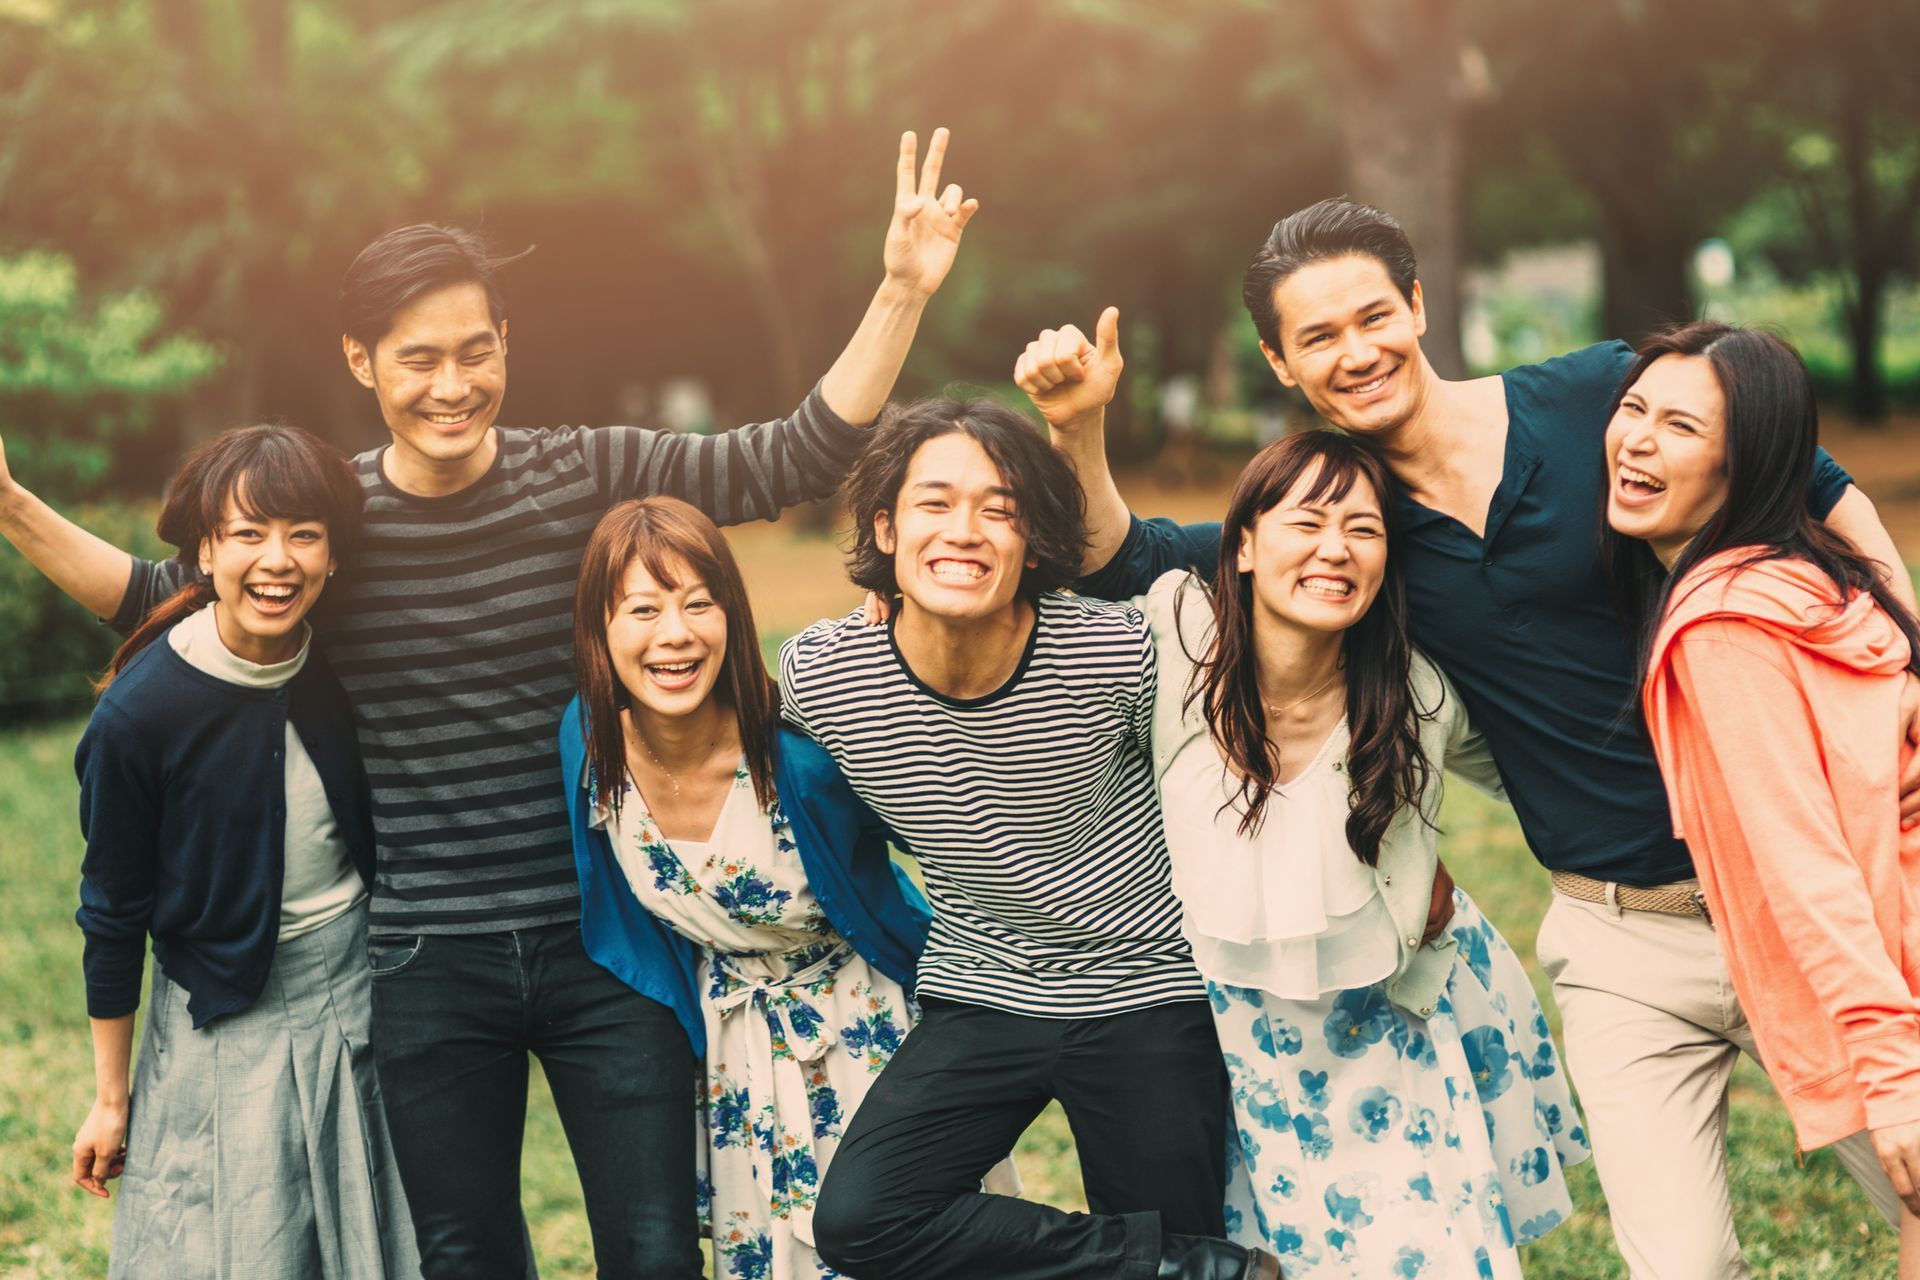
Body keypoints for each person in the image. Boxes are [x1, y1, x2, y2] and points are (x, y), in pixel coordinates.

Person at [4, 130, 979, 1279]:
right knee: (465, 1256)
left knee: (657, 1248)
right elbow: (157, 594)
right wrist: (15, 508)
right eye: (419, 359)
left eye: (476, 350)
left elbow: (790, 459)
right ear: (362, 361)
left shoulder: (585, 471)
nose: (452, 384)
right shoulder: (336, 527)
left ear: (507, 343)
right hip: (426, 955)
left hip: (607, 936)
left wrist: (901, 292)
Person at [1021, 197, 1920, 1278]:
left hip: (1805, 894)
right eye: (1319, 338)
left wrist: (1906, 655)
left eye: (1372, 315)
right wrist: (1078, 426)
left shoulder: (1598, 398)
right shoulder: (1349, 526)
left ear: (1416, 301)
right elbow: (1124, 558)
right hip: (1619, 930)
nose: (1357, 352)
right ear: (1281, 361)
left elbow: (1810, 483)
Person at [781, 397, 1279, 1280]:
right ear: (886, 529)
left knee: (1178, 1217)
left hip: (1145, 985)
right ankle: (1164, 1266)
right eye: (934, 504)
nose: (965, 531)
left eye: (1000, 509)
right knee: (862, 1220)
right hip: (983, 983)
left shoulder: (1119, 654)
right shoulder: (825, 673)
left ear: (1035, 543)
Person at [1600, 322, 1920, 1275]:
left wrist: (1894, 1078)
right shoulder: (1815, 574)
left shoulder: (1724, 627)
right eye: (1632, 410)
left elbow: (1805, 863)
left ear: (1745, 466)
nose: (1638, 440)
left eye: (1681, 427)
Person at [559, 495, 940, 1279]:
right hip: (732, 1054)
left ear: (732, 616)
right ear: (600, 628)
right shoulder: (591, 745)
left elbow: (944, 830)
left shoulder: (799, 750)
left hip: (862, 1031)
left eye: (700, 603)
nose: (676, 634)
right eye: (643, 609)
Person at [69, 423, 418, 1278]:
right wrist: (113, 1099)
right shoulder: (138, 717)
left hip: (364, 989)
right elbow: (110, 916)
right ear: (203, 551)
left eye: (303, 534)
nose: (278, 560)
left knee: (393, 1235)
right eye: (248, 534)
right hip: (222, 1010)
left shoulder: (339, 657)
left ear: (334, 557)